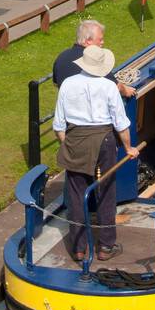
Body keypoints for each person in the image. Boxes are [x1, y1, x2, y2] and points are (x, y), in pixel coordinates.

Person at [53, 43, 139, 262]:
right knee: (106, 191)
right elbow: (121, 123)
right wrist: (129, 148)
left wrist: (68, 144)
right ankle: (106, 246)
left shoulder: (67, 84)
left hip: (75, 140)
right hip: (104, 141)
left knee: (75, 194)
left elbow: (59, 125)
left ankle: (79, 248)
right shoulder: (109, 86)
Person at [53, 18, 135, 97]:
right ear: (88, 40)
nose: (103, 42)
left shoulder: (61, 57)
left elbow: (56, 84)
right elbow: (115, 86)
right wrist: (126, 90)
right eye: (100, 39)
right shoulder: (94, 60)